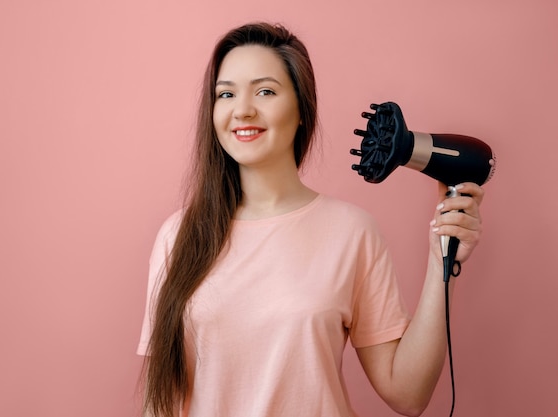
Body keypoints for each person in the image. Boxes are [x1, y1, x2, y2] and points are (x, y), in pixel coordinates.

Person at [136, 22, 484, 417]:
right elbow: (158, 401)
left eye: (265, 91)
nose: (242, 109)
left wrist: (444, 263)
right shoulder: (179, 237)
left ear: (302, 109)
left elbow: (407, 393)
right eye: (226, 93)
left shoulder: (352, 232)